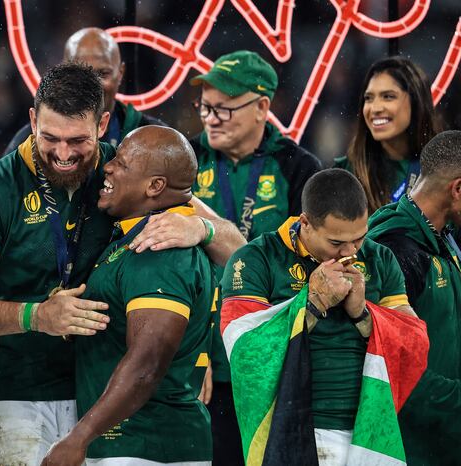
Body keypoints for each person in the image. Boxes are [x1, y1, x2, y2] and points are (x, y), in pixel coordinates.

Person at [0, 62, 245, 465]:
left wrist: (203, 231)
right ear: (32, 119)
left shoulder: (123, 176)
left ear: (103, 124)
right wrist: (33, 316)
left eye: (78, 140)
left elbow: (237, 250)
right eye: (50, 138)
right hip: (16, 391)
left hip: (100, 397)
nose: (64, 153)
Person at [220, 169, 427, 465]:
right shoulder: (255, 259)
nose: (351, 251)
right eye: (336, 243)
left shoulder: (380, 258)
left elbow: (414, 344)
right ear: (305, 223)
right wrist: (313, 304)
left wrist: (363, 314)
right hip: (293, 430)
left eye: (359, 238)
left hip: (369, 431)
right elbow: (243, 353)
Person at [42, 126, 214, 465]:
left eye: (121, 162)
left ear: (154, 186)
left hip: (147, 445)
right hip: (133, 444)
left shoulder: (158, 249)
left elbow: (147, 364)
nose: (108, 167)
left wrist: (79, 437)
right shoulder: (133, 238)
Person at [188, 49, 323, 464]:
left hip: (271, 360)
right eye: (205, 107)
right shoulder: (185, 161)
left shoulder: (298, 167)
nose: (211, 118)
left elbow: (300, 266)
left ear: (263, 106)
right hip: (203, 362)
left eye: (224, 110)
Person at [367, 130, 461, 465]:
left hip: (445, 442)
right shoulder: (394, 250)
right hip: (411, 449)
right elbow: (393, 370)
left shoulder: (442, 238)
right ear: (458, 189)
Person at [3, 27, 166, 154]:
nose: (93, 84)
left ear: (121, 73)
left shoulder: (154, 138)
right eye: (83, 72)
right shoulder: (28, 143)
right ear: (64, 71)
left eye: (103, 73)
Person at [336, 56, 441, 212]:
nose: (375, 108)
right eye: (368, 98)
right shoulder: (345, 172)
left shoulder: (445, 171)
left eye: (388, 97)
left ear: (416, 101)